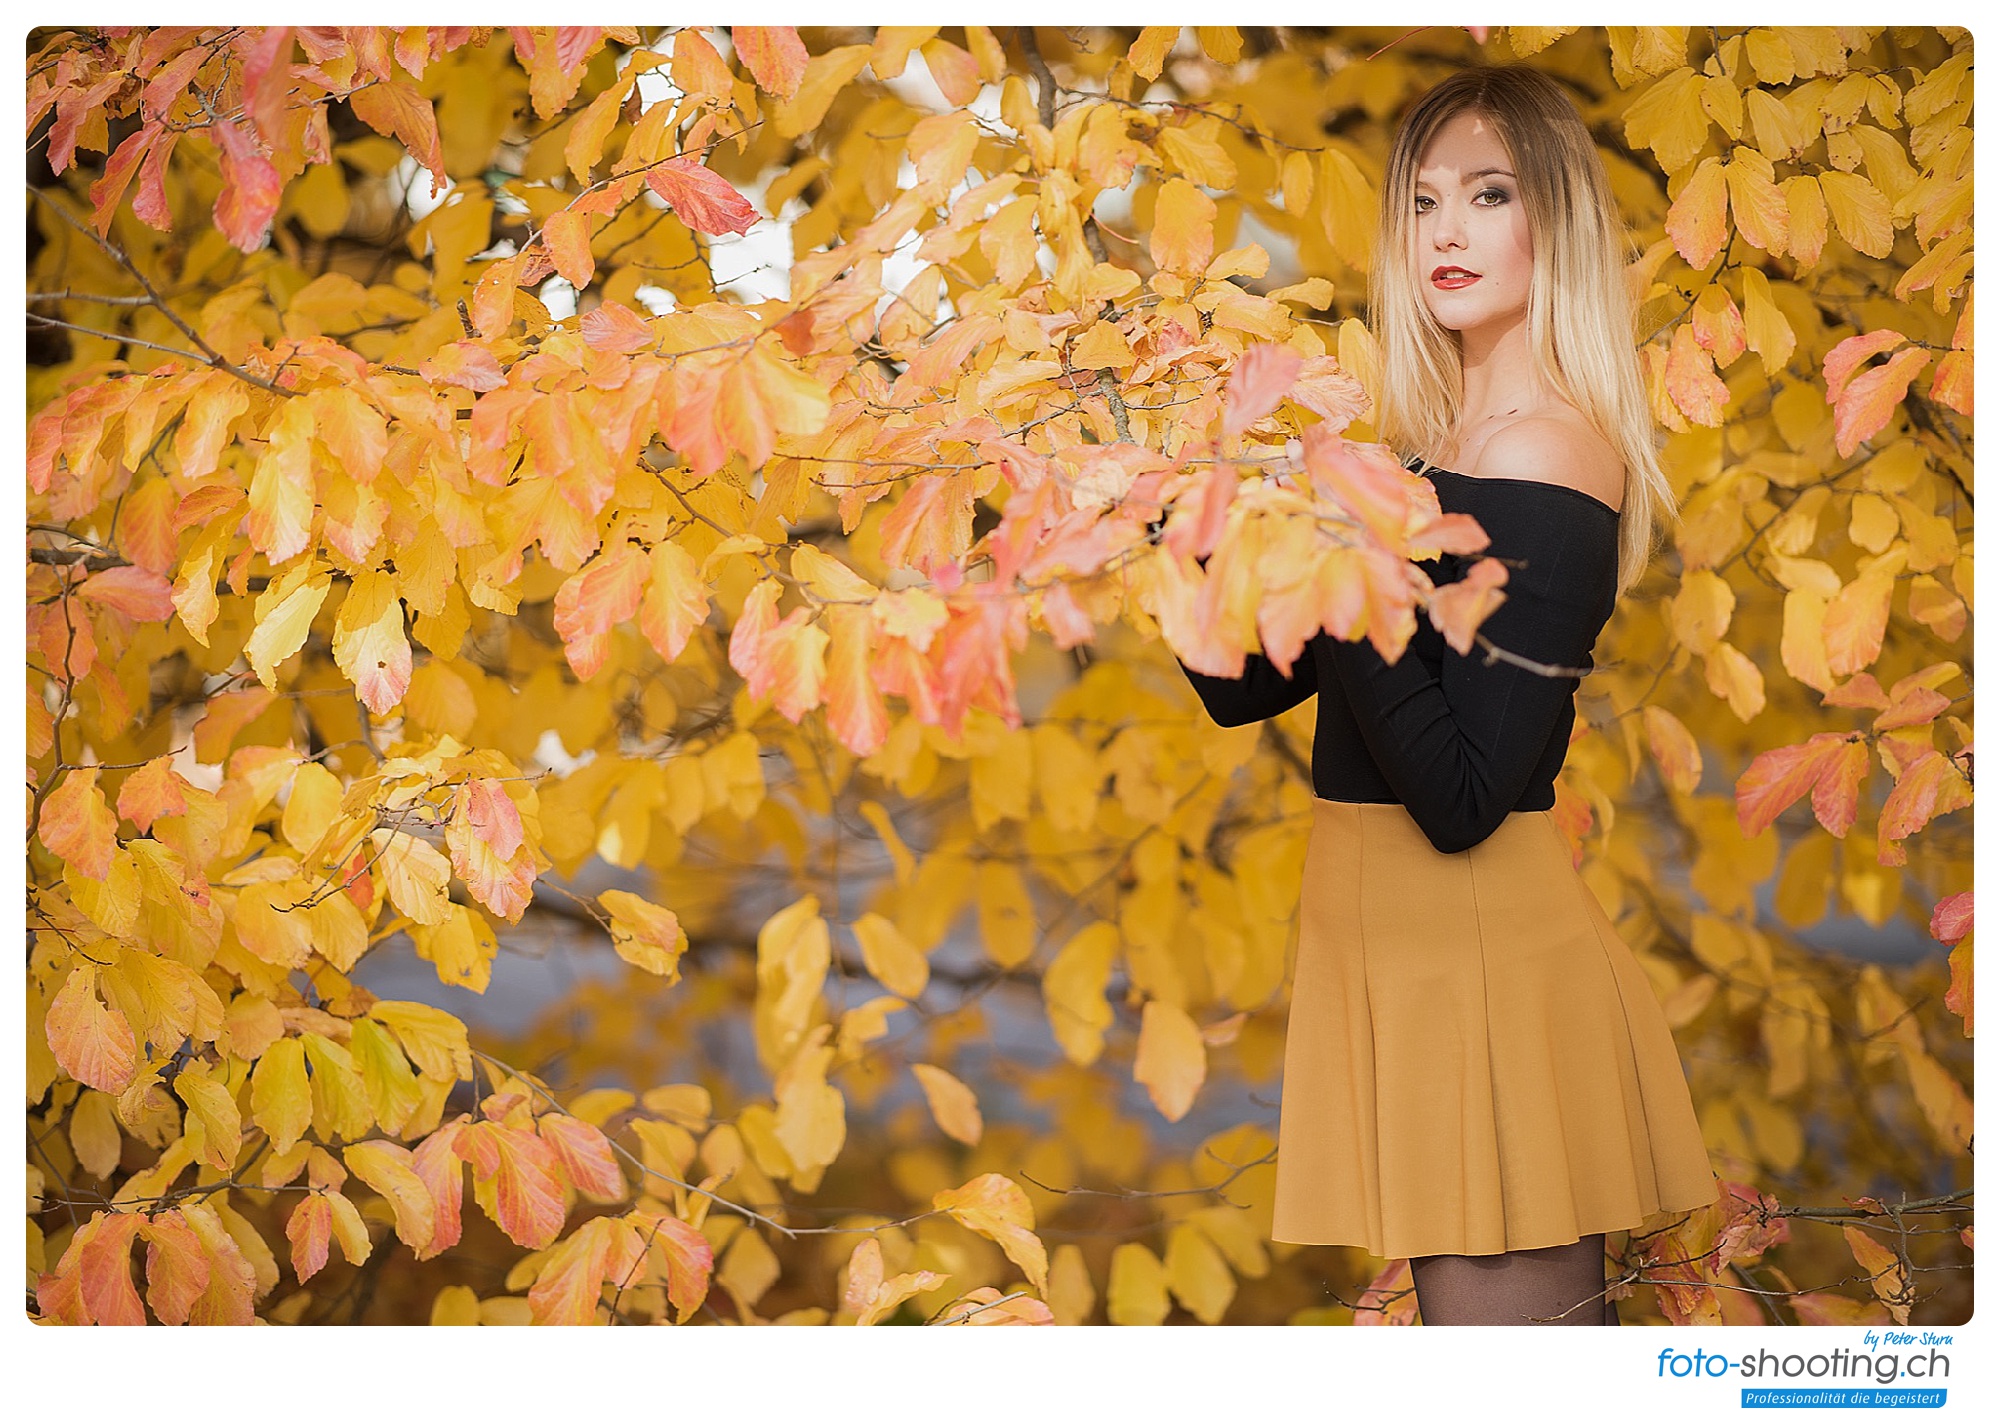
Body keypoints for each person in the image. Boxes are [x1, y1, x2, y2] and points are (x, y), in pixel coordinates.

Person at [1168, 65, 1719, 1326]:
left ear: (1553, 222)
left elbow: (1462, 795)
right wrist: (1175, 512)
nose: (1445, 232)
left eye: (1486, 194)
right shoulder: (1418, 458)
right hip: (1393, 946)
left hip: (1476, 955)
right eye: (1421, 202)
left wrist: (1342, 547)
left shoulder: (1545, 455)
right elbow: (1238, 687)